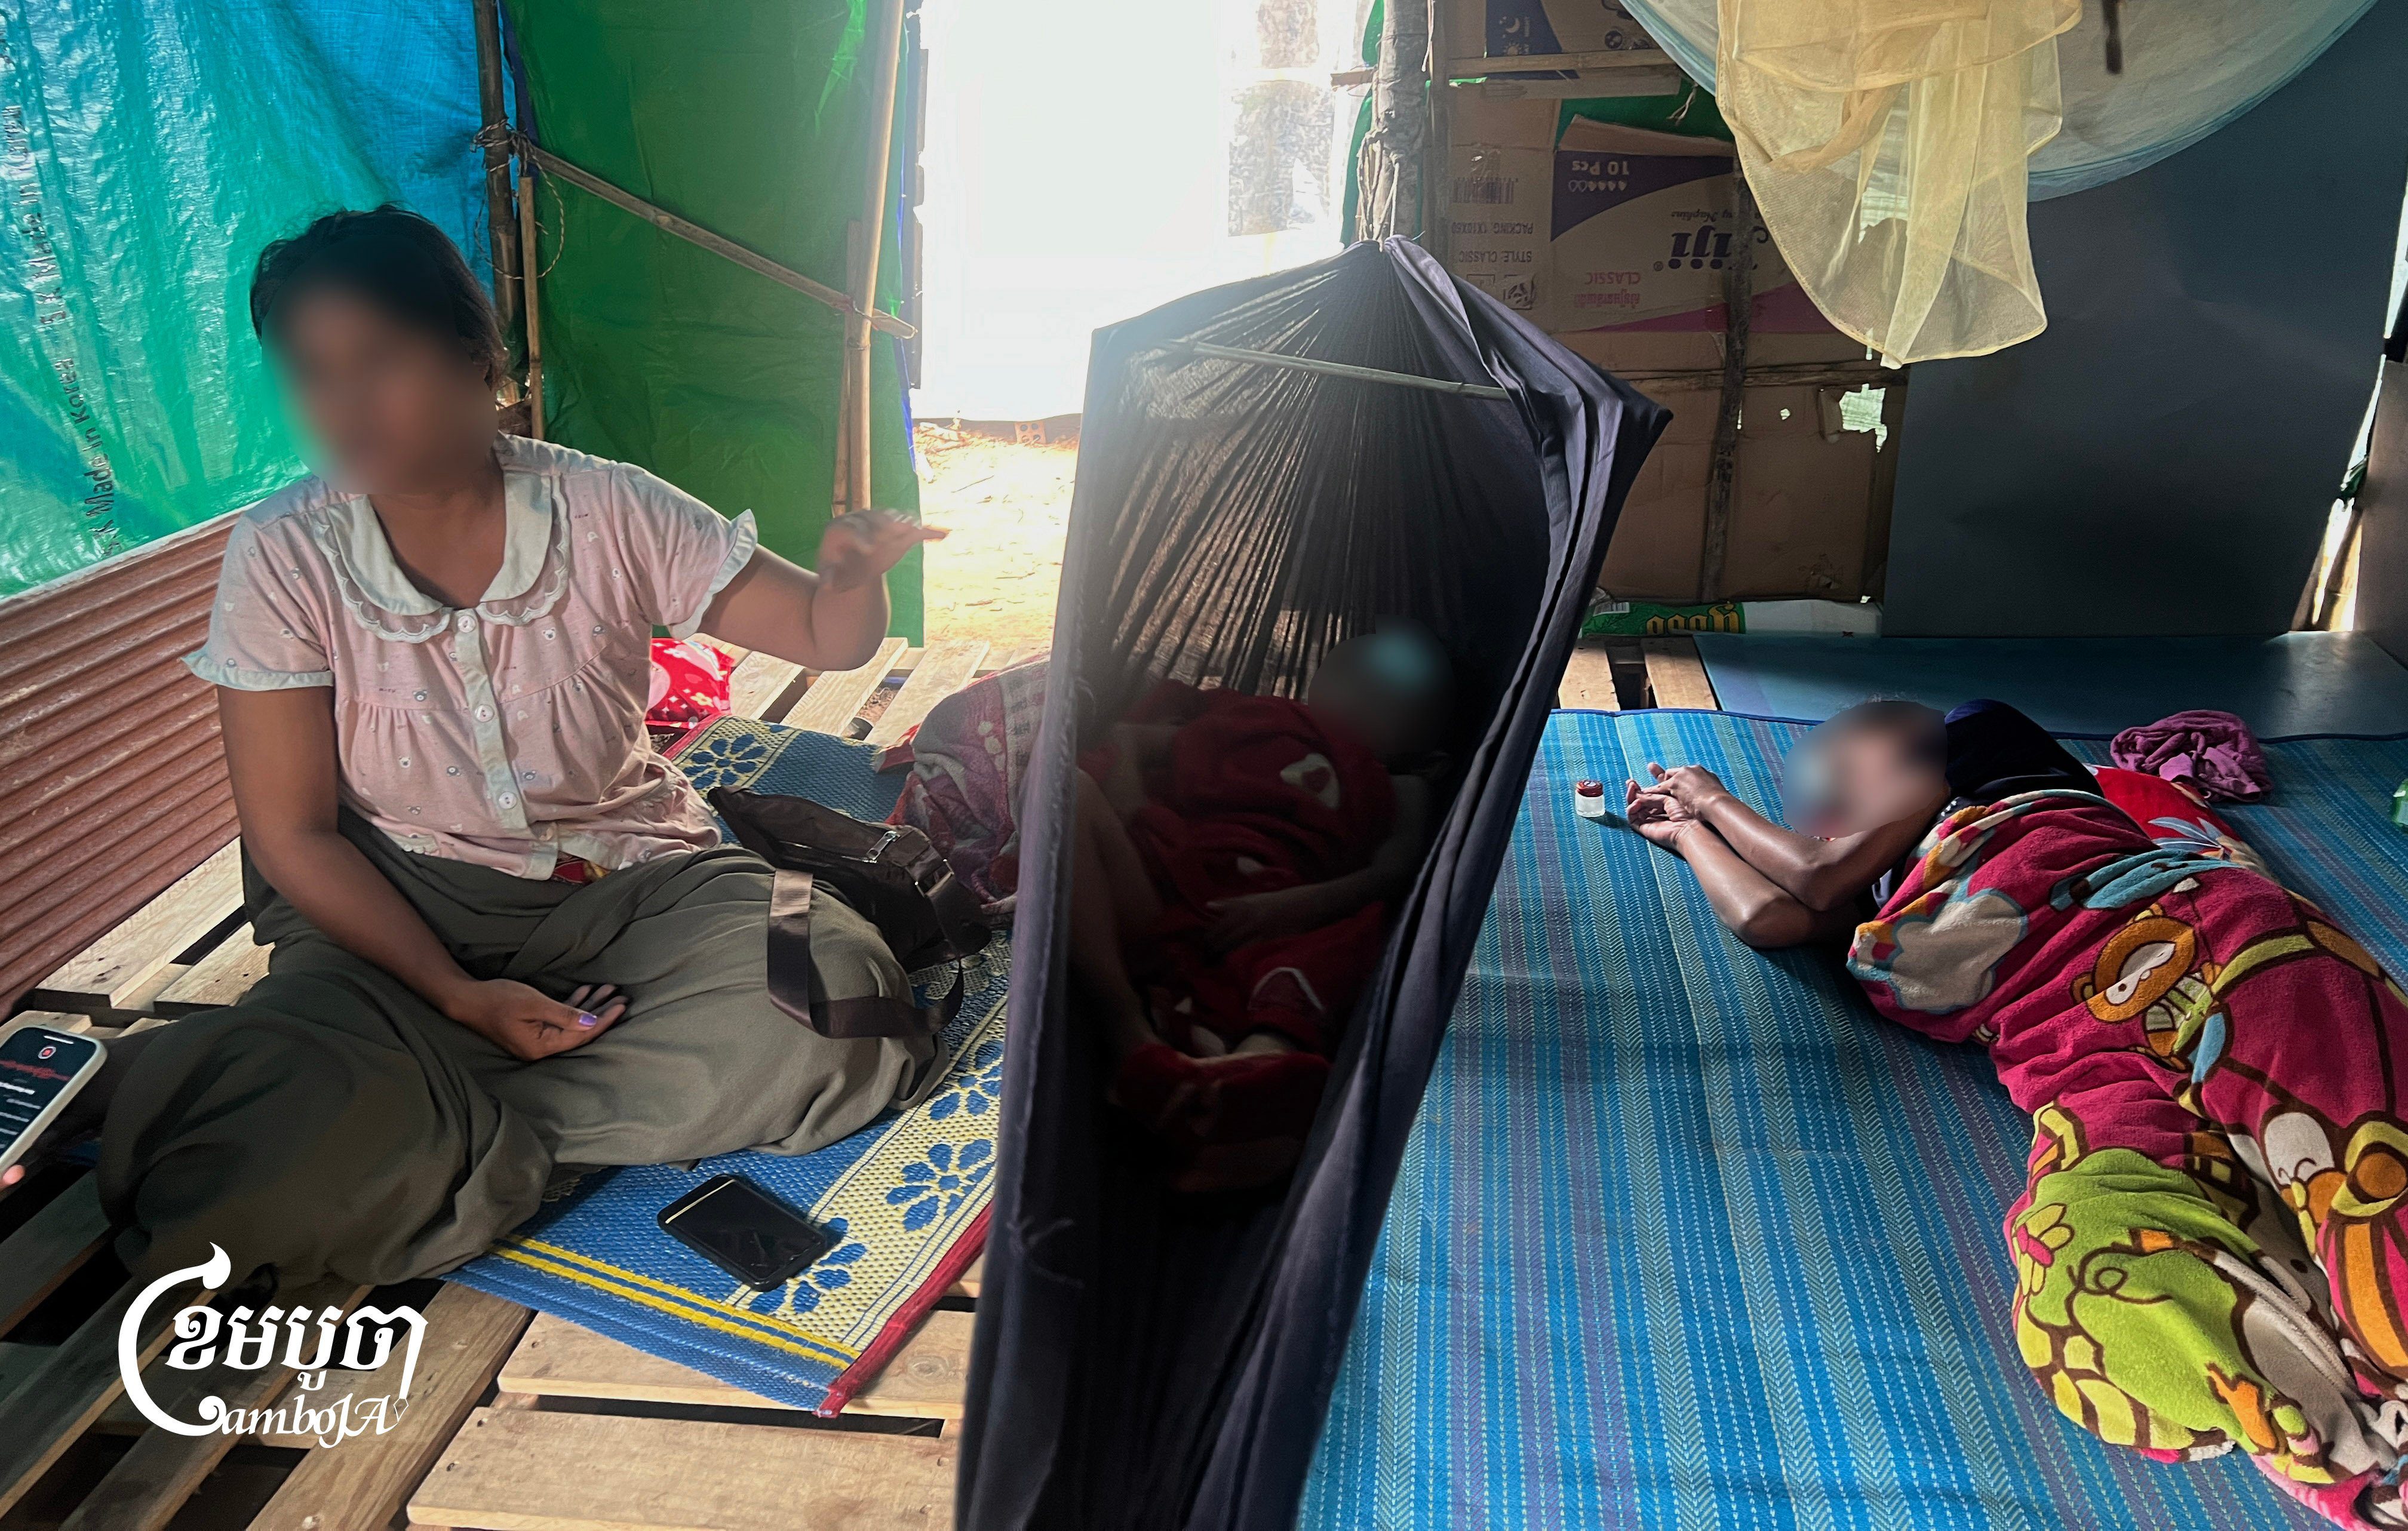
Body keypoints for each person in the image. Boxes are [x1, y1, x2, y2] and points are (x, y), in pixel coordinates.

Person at [0, 205, 947, 1291]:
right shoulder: (282, 557)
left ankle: (428, 1131)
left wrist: (852, 577)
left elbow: (828, 636)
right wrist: (455, 993)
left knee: (838, 1006)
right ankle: (429, 1097)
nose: (342, 404)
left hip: (636, 877)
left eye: (377, 359)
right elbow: (295, 834)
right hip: (387, 910)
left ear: (475, 357)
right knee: (246, 1204)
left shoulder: (609, 507)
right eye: (309, 372)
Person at [1632, 699, 2408, 1527]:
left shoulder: (1971, 744)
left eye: (1848, 749)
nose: (1828, 788)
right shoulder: (1896, 890)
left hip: (2198, 941)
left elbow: (1814, 879)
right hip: (2080, 1065)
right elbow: (1772, 913)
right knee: (2089, 1268)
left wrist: (1708, 796)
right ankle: (2366, 1462)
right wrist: (1684, 835)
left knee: (2346, 1132)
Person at [1065, 627, 1456, 1191]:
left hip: (1278, 920)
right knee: (1066, 791)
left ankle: (1259, 1066)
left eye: (1391, 696)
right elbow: (1128, 737)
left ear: (1426, 745)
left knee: (1370, 929)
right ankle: (1130, 1032)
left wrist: (1292, 907)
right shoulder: (1258, 720)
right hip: (1167, 878)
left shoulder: (1401, 783)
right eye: (1348, 669)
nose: (1362, 690)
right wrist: (1133, 805)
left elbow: (1395, 874)